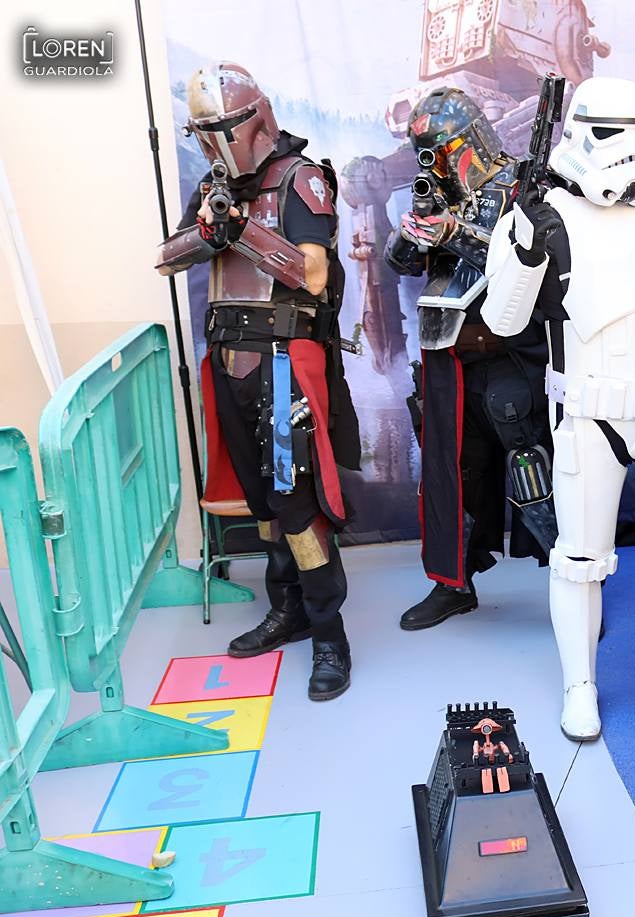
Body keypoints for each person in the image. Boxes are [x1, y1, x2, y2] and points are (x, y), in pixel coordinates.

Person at [481, 77, 635, 741]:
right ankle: (580, 686)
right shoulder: (544, 217)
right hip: (588, 417)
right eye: (615, 132)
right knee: (580, 559)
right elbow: (503, 321)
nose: (631, 149)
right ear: (582, 132)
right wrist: (526, 245)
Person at [155, 62, 360, 700]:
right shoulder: (219, 186)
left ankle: (330, 634)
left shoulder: (301, 179)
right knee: (264, 505)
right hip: (228, 361)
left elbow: (316, 277)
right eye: (204, 133)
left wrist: (243, 232)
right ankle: (288, 609)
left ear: (256, 120)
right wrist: (210, 229)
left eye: (224, 128)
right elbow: (166, 257)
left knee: (297, 507)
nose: (216, 144)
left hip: (281, 361)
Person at [385, 88, 556, 631]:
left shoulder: (523, 187)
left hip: (511, 354)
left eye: (443, 147)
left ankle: (573, 584)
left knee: (534, 469)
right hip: (449, 357)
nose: (436, 160)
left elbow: (528, 266)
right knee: (450, 474)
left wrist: (455, 231)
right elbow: (401, 262)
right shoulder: (437, 192)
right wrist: (419, 223)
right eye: (427, 150)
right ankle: (453, 583)